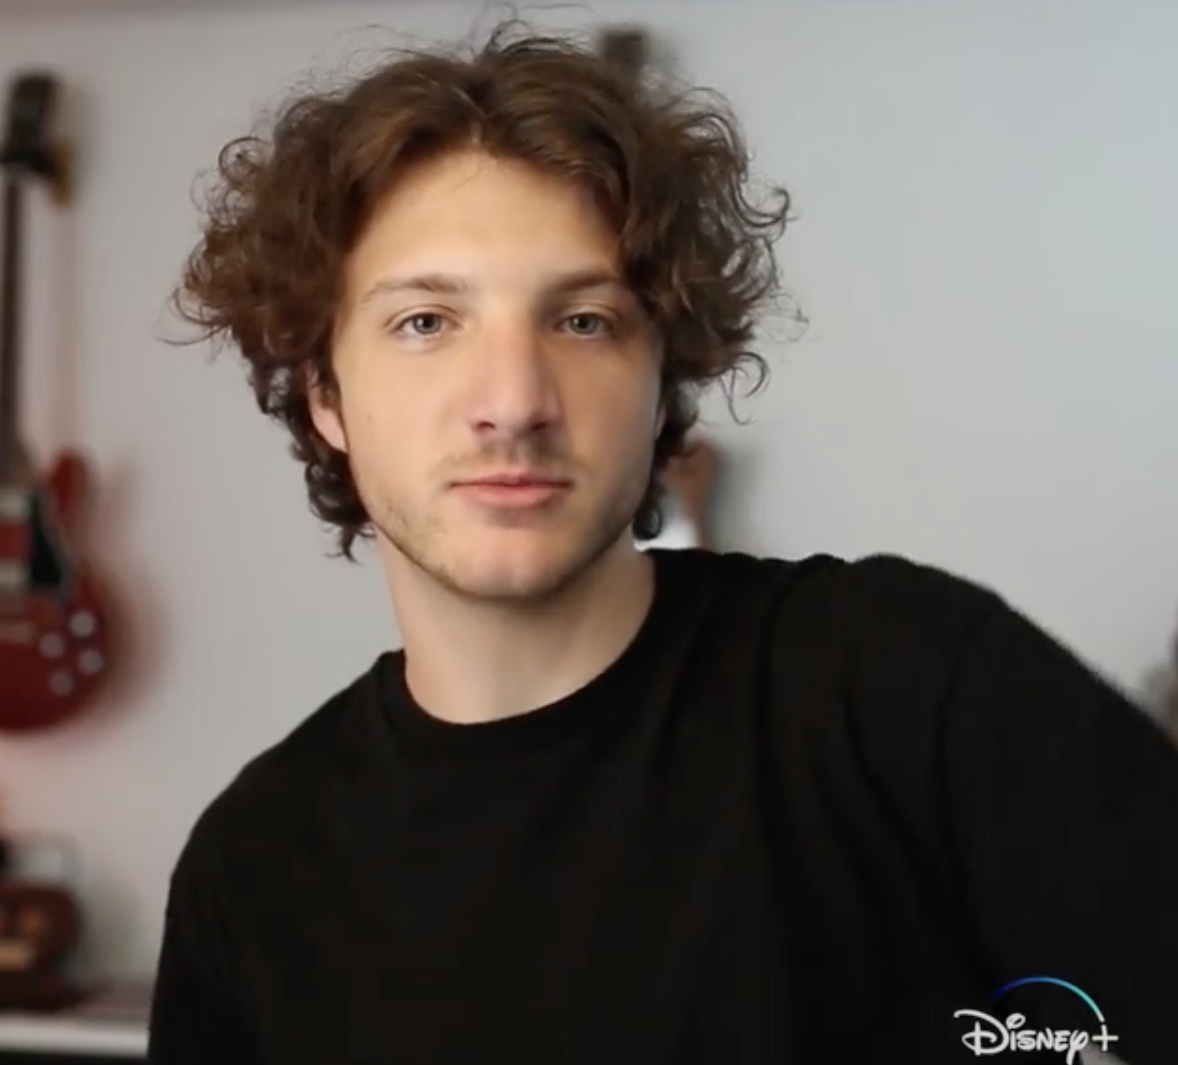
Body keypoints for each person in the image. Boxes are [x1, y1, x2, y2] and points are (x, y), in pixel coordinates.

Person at [148, 22, 1178, 1065]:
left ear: (661, 381)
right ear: (324, 394)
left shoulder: (911, 687)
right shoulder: (252, 869)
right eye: (425, 322)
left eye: (584, 320)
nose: (513, 400)